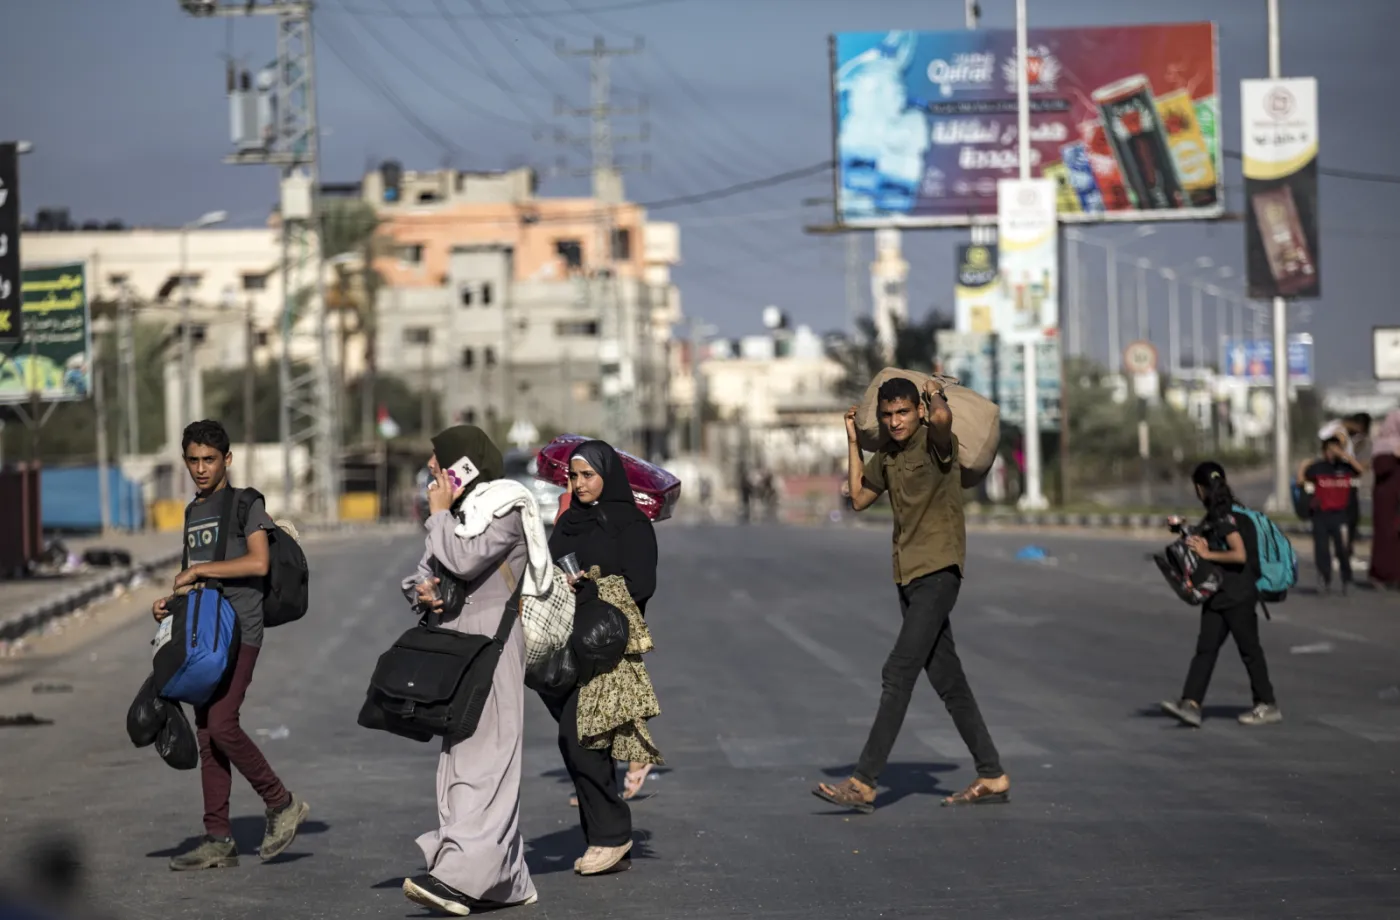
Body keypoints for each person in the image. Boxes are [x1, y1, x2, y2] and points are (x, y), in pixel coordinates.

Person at [814, 377, 1009, 813]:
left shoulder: (937, 443)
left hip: (939, 571)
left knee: (898, 671)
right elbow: (859, 498)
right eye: (888, 415)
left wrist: (934, 392)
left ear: (918, 411)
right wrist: (853, 442)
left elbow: (941, 417)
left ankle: (864, 782)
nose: (895, 421)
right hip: (909, 576)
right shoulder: (888, 455)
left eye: (902, 412)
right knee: (948, 681)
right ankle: (992, 774)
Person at [157, 420, 309, 871]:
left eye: (209, 459)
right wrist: (170, 602)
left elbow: (258, 562)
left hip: (241, 629)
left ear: (227, 459)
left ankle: (281, 802)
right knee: (208, 733)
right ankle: (218, 839)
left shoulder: (247, 503)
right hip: (203, 633)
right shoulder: (192, 512)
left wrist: (200, 572)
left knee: (223, 724)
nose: (201, 468)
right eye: (193, 460)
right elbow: (194, 576)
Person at [400, 425, 537, 915]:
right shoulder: (460, 514)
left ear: (465, 467)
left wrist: (438, 515)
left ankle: (460, 878)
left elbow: (463, 558)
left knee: (486, 763)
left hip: (493, 650)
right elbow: (427, 570)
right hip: (456, 651)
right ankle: (507, 880)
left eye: (440, 461)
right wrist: (422, 590)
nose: (432, 469)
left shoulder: (504, 510)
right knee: (459, 763)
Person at [547, 440, 659, 876]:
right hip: (563, 646)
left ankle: (610, 837)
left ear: (607, 476)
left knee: (578, 736)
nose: (579, 484)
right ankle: (605, 839)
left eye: (588, 475)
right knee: (585, 742)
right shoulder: (567, 523)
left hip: (606, 647)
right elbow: (546, 569)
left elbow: (642, 584)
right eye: (573, 476)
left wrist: (591, 587)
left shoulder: (631, 524)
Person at [1161, 462, 1281, 728]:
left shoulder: (1224, 516)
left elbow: (1239, 554)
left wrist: (1207, 554)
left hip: (1237, 595)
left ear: (1199, 488)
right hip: (1218, 594)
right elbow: (1209, 542)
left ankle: (1267, 704)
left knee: (1249, 651)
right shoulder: (1224, 513)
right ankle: (1191, 704)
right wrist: (1184, 531)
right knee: (1206, 649)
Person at [1300, 436, 1364, 594]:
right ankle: (1324, 577)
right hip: (1321, 515)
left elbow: (1360, 471)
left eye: (1335, 449)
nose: (1332, 452)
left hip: (1340, 515)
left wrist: (1345, 455)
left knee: (1342, 549)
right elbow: (1300, 481)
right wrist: (1303, 466)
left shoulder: (1346, 467)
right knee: (1321, 549)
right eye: (1329, 449)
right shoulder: (1318, 468)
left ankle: (1346, 579)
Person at [1369, 411, 1400, 589]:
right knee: (1386, 537)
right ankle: (1381, 575)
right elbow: (1380, 468)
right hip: (1386, 500)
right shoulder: (1383, 444)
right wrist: (1394, 456)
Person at [1343, 414, 1373, 562]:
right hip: (1341, 483)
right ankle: (1343, 552)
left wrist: (1347, 459)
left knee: (1351, 520)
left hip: (1354, 484)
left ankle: (1348, 551)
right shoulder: (1344, 438)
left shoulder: (1365, 442)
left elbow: (1363, 465)